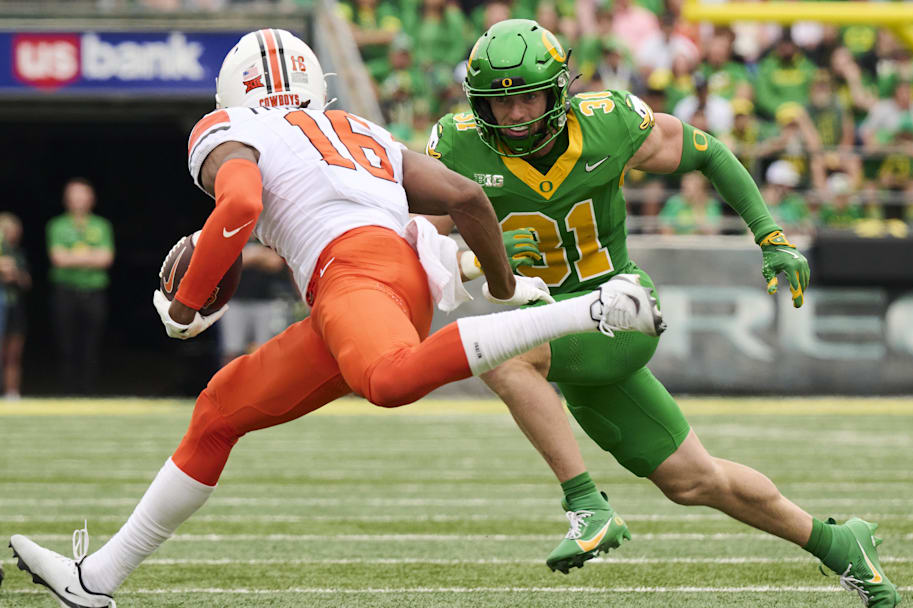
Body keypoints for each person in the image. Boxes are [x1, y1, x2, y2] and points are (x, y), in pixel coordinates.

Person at [7, 29, 665, 608]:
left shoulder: (228, 129)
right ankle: (96, 579)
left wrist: (185, 306)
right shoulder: (362, 132)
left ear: (233, 91)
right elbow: (466, 197)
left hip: (355, 278)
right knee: (219, 410)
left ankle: (592, 309)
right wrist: (501, 282)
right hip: (371, 281)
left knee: (388, 381)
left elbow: (237, 205)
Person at [425, 20, 899, 606]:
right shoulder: (459, 144)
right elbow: (419, 237)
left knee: (501, 353)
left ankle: (586, 505)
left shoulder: (607, 122)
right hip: (558, 324)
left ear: (557, 92)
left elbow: (707, 150)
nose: (516, 115)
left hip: (619, 306)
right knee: (696, 480)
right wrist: (475, 258)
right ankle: (839, 544)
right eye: (500, 103)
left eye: (527, 97)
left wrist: (770, 235)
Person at [46, 177, 115, 395]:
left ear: (91, 198)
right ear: (66, 199)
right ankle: (67, 391)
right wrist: (89, 257)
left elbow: (106, 259)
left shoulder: (102, 225)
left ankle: (88, 392)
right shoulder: (57, 225)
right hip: (65, 291)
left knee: (91, 344)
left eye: (83, 194)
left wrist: (73, 256)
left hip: (94, 292)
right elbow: (58, 259)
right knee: (66, 343)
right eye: (74, 194)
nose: (78, 199)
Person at [0, 213, 31, 399]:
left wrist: (15, 274)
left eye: (13, 230)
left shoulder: (18, 254)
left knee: (14, 354)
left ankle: (12, 393)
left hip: (15, 306)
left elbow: (27, 282)